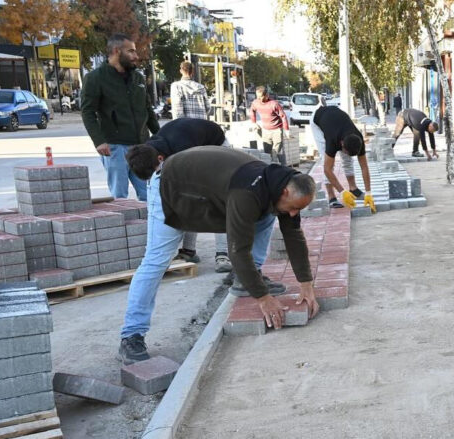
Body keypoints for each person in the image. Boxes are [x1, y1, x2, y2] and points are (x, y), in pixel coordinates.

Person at [119, 146, 320, 364]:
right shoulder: (247, 194)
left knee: (267, 216)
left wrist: (306, 284)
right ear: (286, 192)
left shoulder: (280, 183)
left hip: (210, 188)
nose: (293, 213)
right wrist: (263, 298)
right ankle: (132, 335)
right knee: (155, 261)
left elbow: (294, 235)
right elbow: (237, 250)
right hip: (170, 187)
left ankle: (247, 280)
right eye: (293, 208)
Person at [126, 118, 233, 272]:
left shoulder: (183, 151)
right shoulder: (147, 152)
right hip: (192, 141)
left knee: (213, 201)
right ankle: (188, 251)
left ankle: (222, 254)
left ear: (161, 159)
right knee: (187, 201)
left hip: (215, 145)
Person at [81, 34, 159, 201]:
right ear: (117, 51)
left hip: (142, 145)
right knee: (120, 197)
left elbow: (147, 110)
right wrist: (98, 140)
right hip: (115, 147)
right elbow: (88, 112)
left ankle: (148, 226)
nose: (136, 56)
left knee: (150, 194)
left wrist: (159, 136)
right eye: (131, 51)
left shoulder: (137, 78)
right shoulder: (96, 78)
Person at [310, 106, 376, 212]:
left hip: (336, 119)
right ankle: (332, 197)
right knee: (327, 162)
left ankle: (353, 189)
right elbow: (327, 169)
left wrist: (368, 192)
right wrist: (342, 192)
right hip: (318, 120)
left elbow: (364, 166)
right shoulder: (332, 140)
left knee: (348, 160)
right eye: (346, 151)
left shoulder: (358, 138)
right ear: (341, 144)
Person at [250, 86, 290, 165]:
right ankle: (269, 170)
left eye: (261, 97)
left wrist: (286, 130)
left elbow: (283, 116)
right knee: (267, 153)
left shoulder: (274, 104)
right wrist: (254, 122)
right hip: (265, 130)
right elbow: (252, 111)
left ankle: (279, 168)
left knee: (276, 152)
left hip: (276, 130)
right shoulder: (256, 103)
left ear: (266, 95)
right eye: (258, 97)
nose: (259, 99)